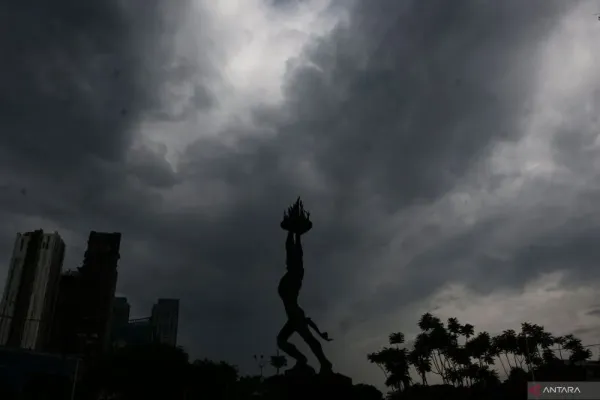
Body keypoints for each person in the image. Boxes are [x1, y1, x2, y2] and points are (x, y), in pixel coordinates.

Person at [277, 230, 333, 374]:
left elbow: (292, 251)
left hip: (295, 315)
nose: (288, 260)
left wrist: (293, 233)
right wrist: (294, 234)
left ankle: (323, 362)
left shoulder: (294, 276)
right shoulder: (293, 276)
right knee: (283, 341)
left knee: (308, 340)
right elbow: (293, 251)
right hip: (294, 316)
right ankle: (305, 360)